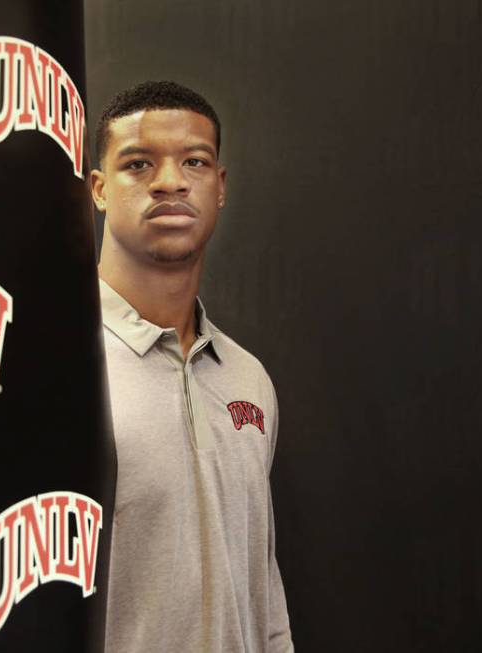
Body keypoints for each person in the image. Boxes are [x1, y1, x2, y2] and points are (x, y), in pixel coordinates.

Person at [91, 80, 294, 652]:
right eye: (138, 163)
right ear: (100, 190)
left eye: (194, 161)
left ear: (219, 186)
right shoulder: (57, 371)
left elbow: (262, 580)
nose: (170, 181)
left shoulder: (247, 378)